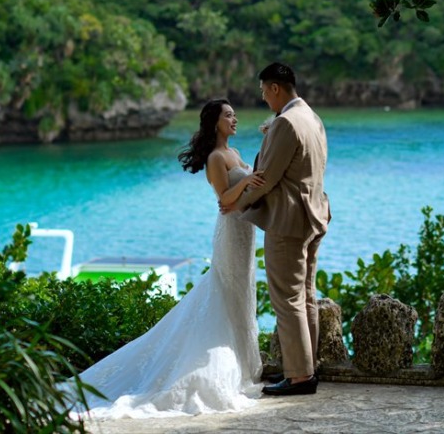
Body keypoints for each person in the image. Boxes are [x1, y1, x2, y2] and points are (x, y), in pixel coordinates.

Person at [72, 99, 265, 419]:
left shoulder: (236, 153)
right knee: (225, 293)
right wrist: (246, 181)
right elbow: (224, 200)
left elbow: (242, 198)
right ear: (215, 122)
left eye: (234, 115)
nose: (235, 119)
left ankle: (244, 367)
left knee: (242, 293)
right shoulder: (216, 158)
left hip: (246, 233)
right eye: (228, 115)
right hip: (230, 234)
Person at [223, 62, 332, 397]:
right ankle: (308, 369)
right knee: (305, 295)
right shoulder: (311, 116)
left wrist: (238, 204)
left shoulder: (286, 122)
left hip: (289, 220)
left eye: (263, 91)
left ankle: (300, 376)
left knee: (287, 298)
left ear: (274, 88)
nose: (263, 99)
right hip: (315, 213)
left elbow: (267, 178)